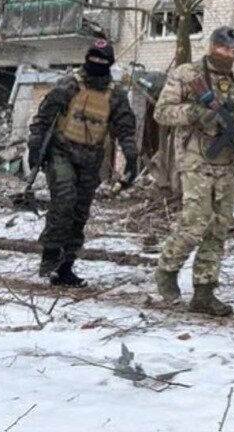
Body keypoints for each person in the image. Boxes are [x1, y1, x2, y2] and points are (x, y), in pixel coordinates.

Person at [152, 26, 234, 316]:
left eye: (233, 50)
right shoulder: (188, 74)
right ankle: (167, 269)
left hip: (227, 161)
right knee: (195, 222)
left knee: (218, 228)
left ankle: (204, 292)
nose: (228, 54)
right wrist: (195, 112)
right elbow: (162, 112)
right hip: (196, 158)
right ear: (211, 46)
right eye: (223, 48)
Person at [28, 39, 138, 287]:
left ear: (109, 63)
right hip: (61, 153)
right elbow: (43, 118)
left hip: (91, 160)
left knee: (79, 212)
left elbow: (125, 128)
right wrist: (35, 146)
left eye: (102, 60)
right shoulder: (68, 85)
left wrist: (131, 157)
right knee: (64, 199)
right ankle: (51, 253)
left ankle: (65, 267)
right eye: (93, 59)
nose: (97, 64)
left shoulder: (115, 95)